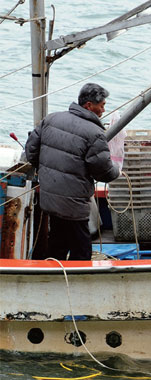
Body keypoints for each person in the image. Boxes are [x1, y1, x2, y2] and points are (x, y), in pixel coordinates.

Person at [25, 83, 120, 260]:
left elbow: (30, 152)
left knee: (57, 242)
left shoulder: (51, 119)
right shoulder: (95, 133)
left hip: (50, 197)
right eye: (102, 106)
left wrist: (47, 170)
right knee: (82, 250)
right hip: (74, 204)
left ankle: (53, 273)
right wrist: (117, 171)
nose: (103, 110)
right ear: (89, 105)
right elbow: (103, 172)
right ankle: (76, 276)